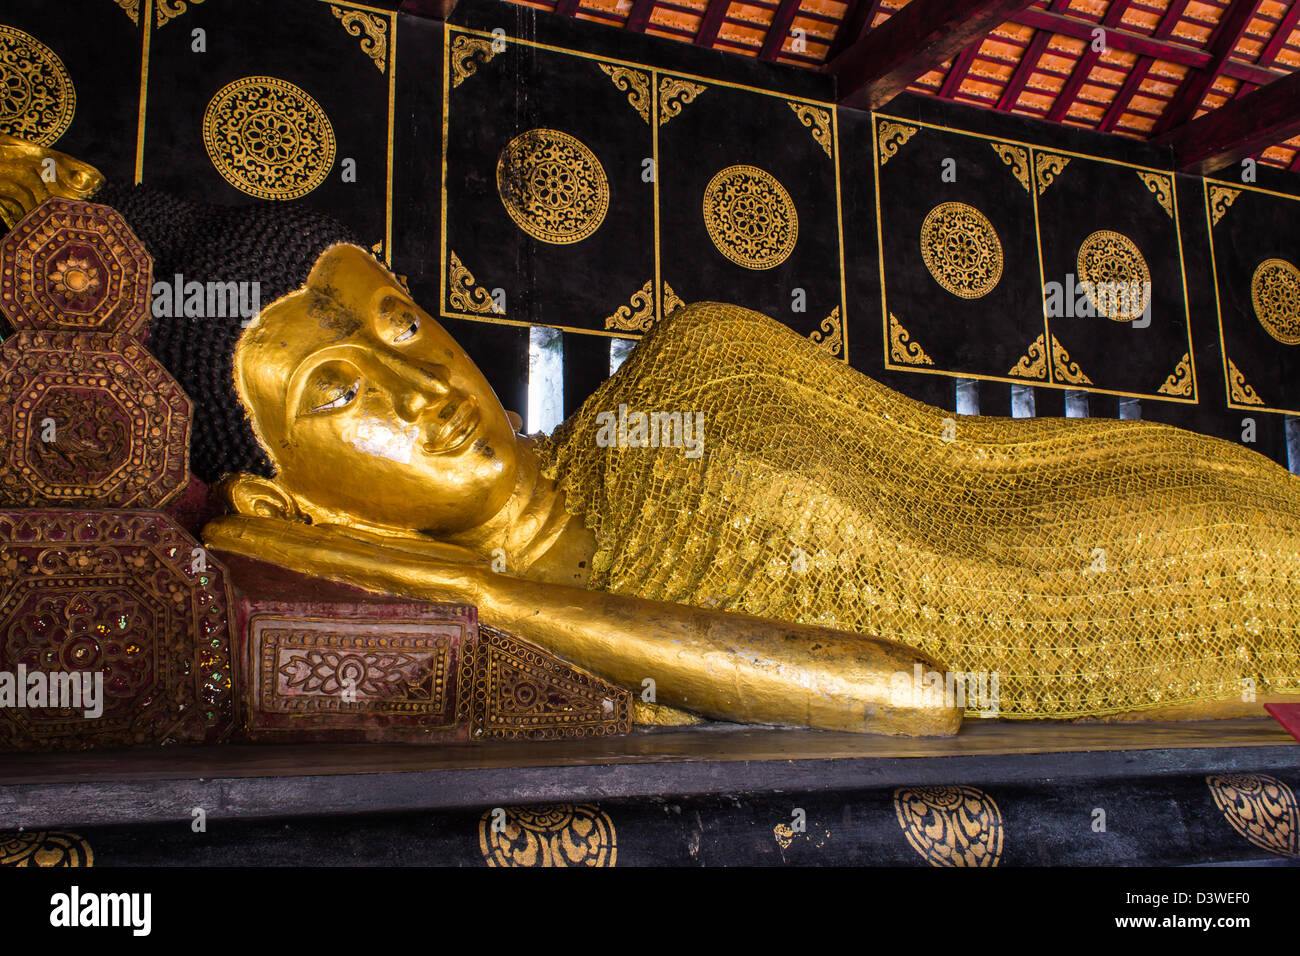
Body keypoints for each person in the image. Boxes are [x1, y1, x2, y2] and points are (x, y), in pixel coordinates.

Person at [5, 137, 1298, 735]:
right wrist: (469, 587)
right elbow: (909, 695)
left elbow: (973, 464)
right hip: (1152, 646)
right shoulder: (563, 637)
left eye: (399, 322)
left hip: (1164, 507)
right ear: (298, 510)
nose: (421, 384)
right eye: (342, 399)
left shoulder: (697, 358)